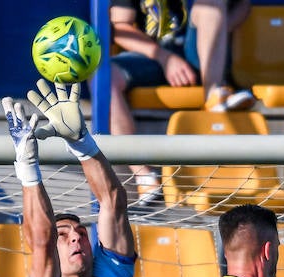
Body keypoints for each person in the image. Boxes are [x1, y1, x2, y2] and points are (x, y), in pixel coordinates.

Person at [4, 82, 145, 277]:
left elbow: (112, 202)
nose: (77, 237)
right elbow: (41, 241)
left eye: (81, 231)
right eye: (64, 236)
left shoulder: (113, 275)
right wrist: (27, 167)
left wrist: (81, 141)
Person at [109, 0, 257, 196]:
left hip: (201, 55)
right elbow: (121, 27)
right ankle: (144, 175)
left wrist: (218, 29)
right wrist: (164, 57)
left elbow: (243, 5)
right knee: (104, 77)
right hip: (151, 56)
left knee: (210, 5)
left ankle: (214, 94)